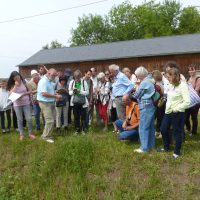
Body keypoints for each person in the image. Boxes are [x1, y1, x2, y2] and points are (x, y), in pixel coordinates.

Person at [159, 66, 190, 160]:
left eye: (169, 76)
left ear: (174, 76)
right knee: (163, 129)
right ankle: (166, 147)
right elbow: (168, 96)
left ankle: (176, 153)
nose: (167, 78)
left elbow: (187, 102)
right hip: (168, 112)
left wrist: (177, 108)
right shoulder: (171, 85)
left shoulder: (183, 86)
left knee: (177, 132)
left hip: (178, 113)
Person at [132, 66, 156, 153]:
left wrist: (133, 91)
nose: (137, 78)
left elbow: (137, 95)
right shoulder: (151, 80)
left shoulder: (144, 82)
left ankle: (144, 148)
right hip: (151, 105)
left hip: (145, 106)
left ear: (141, 75)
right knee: (150, 127)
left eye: (137, 76)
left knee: (143, 127)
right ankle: (151, 145)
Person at [7, 71, 36, 141]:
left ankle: (30, 133)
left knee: (29, 118)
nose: (17, 78)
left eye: (18, 76)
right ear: (13, 78)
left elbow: (30, 91)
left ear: (20, 76)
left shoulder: (25, 82)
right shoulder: (12, 85)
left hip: (26, 103)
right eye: (15, 77)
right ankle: (21, 134)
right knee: (19, 119)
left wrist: (23, 94)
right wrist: (16, 86)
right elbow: (10, 94)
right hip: (17, 105)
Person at [37, 68, 62, 143]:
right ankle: (45, 137)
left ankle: (48, 135)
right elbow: (44, 93)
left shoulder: (49, 80)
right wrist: (56, 97)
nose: (54, 77)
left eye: (55, 75)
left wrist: (54, 93)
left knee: (52, 119)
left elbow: (49, 91)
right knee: (49, 120)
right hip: (45, 103)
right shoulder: (44, 81)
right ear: (48, 73)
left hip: (50, 102)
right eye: (53, 75)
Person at [69, 70, 89, 134]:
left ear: (80, 76)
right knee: (76, 117)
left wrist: (80, 91)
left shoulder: (84, 82)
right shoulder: (72, 82)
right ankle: (77, 130)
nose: (77, 79)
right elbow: (69, 92)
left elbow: (87, 92)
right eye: (76, 77)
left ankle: (83, 129)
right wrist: (73, 92)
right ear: (74, 76)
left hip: (83, 103)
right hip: (75, 102)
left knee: (83, 116)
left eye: (78, 77)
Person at [152, 70, 165, 137]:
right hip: (156, 103)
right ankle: (157, 130)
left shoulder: (160, 84)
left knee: (160, 117)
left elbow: (162, 93)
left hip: (160, 103)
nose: (153, 76)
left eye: (154, 75)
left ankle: (161, 132)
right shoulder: (156, 83)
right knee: (157, 117)